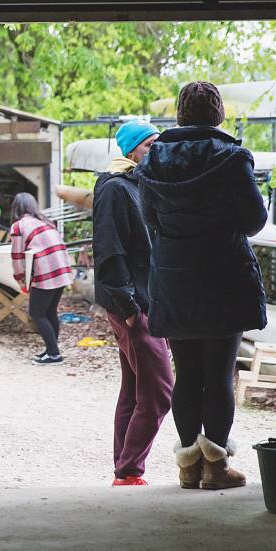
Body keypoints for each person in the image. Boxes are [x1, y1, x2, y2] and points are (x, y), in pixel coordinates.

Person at [133, 81, 268, 490]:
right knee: (219, 373)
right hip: (223, 276)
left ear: (179, 114)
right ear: (218, 114)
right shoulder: (231, 159)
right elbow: (254, 220)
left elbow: (150, 219)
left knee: (187, 373)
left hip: (174, 279)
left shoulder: (153, 161)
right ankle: (217, 466)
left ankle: (188, 466)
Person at [92, 121, 174, 486]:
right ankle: (129, 469)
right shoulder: (115, 188)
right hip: (132, 306)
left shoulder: (143, 185)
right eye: (149, 146)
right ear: (130, 151)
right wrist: (128, 309)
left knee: (134, 387)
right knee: (159, 390)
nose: (156, 151)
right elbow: (109, 252)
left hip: (145, 302)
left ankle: (123, 470)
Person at [8, 192, 74, 364]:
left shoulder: (19, 226)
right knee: (50, 311)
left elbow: (17, 256)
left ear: (16, 207)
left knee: (36, 313)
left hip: (46, 273)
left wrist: (20, 279)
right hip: (62, 270)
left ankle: (54, 354)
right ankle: (52, 350)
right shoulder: (47, 222)